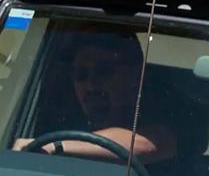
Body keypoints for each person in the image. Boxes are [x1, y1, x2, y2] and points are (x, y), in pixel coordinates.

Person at [14, 28, 177, 163]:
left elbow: (147, 144)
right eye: (81, 76)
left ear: (135, 77)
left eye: (104, 72)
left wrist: (54, 146)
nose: (91, 86)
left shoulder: (167, 121)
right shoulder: (49, 123)